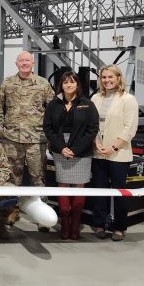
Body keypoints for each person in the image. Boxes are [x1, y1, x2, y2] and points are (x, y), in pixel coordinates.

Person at [0, 51, 54, 229]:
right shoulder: (8, 83)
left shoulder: (43, 84)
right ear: (16, 63)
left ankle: (42, 218)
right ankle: (10, 215)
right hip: (12, 139)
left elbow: (51, 110)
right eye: (21, 61)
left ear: (32, 63)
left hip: (36, 140)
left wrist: (48, 134)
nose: (24, 63)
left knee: (38, 178)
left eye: (27, 60)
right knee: (12, 179)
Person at [43, 71, 99, 240]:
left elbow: (92, 129)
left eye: (72, 82)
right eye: (65, 82)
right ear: (61, 85)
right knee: (63, 188)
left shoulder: (87, 104)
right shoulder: (54, 104)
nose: (68, 85)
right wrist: (61, 148)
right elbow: (48, 128)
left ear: (77, 85)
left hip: (81, 152)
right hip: (61, 151)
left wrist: (76, 149)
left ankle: (76, 224)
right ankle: (65, 224)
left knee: (79, 189)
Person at [90, 65, 139, 241]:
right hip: (99, 152)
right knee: (100, 190)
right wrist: (96, 144)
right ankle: (99, 224)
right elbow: (92, 125)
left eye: (111, 77)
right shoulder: (95, 98)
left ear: (118, 78)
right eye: (104, 77)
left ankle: (119, 227)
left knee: (119, 192)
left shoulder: (128, 99)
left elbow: (130, 128)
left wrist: (113, 147)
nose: (107, 80)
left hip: (119, 154)